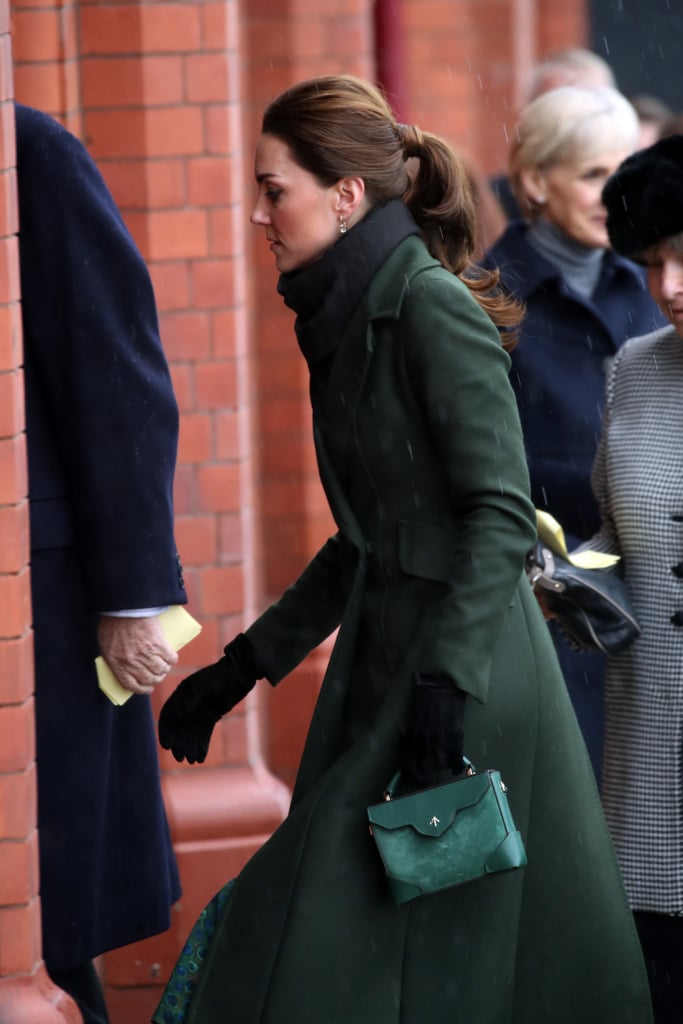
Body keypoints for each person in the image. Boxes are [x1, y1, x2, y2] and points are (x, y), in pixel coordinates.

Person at [152, 74, 652, 1024]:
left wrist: (444, 690)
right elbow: (370, 538)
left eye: (273, 189)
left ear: (345, 196)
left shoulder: (426, 308)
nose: (259, 213)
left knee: (332, 947)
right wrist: (242, 667)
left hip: (463, 688)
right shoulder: (342, 320)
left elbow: (499, 515)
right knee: (393, 966)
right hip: (393, 673)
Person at [16, 103, 187, 1024]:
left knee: (47, 915)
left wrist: (133, 596)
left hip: (43, 597)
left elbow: (117, 374)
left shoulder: (32, 155)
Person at [484, 85, 667, 783]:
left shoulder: (656, 286)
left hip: (658, 600)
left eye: (623, 174)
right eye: (593, 175)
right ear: (533, 180)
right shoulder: (484, 300)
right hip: (545, 610)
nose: (612, 195)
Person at [585, 132, 683, 1024]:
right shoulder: (633, 372)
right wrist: (561, 571)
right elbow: (612, 541)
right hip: (652, 770)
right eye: (654, 261)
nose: (668, 288)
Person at [490, 47, 617, 221]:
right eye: (557, 111)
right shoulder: (490, 205)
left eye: (595, 110)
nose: (578, 126)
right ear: (529, 116)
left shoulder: (642, 201)